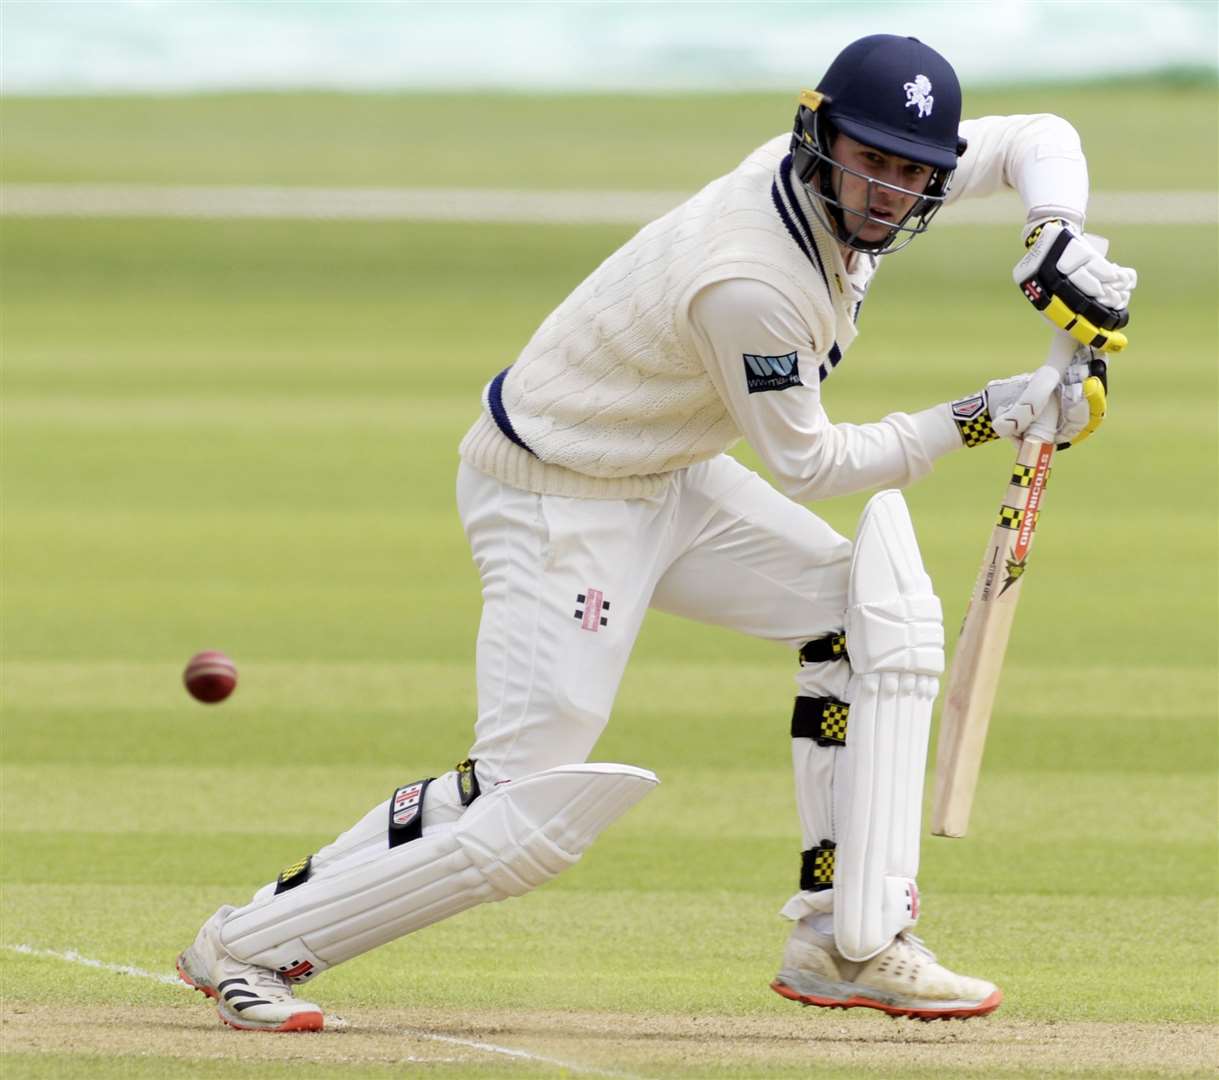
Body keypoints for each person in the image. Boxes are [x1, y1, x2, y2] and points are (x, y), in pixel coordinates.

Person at [176, 34, 1136, 1031]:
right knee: (525, 814)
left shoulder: (869, 181)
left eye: (910, 170)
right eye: (869, 161)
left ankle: (845, 936)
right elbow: (808, 466)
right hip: (559, 499)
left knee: (867, 615)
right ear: (819, 137)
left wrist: (1055, 236)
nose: (886, 190)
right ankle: (246, 946)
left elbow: (1039, 135)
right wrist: (987, 413)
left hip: (660, 474)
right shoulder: (752, 282)